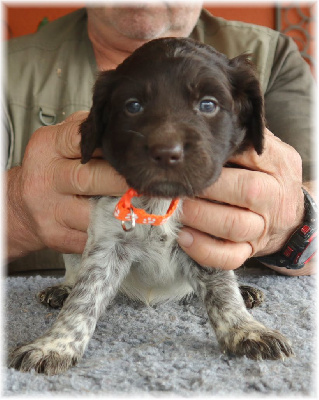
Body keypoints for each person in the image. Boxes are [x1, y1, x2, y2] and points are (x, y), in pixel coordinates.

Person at [6, 4, 316, 276]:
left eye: (207, 105)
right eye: (133, 106)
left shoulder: (273, 57)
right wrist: (16, 207)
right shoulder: (9, 69)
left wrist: (296, 224)